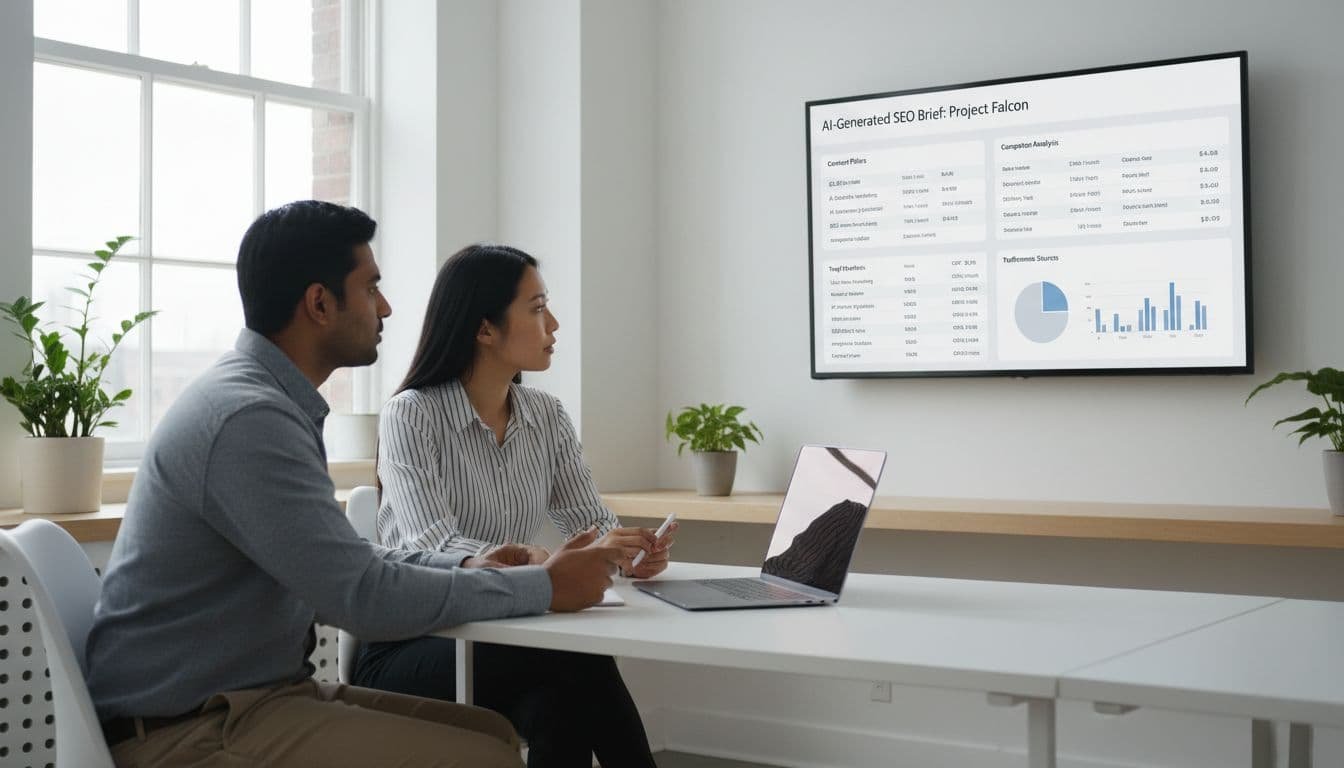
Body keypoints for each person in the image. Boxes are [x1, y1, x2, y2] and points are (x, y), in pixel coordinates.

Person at [84, 202, 624, 768]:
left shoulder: (269, 405)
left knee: (490, 733)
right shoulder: (249, 419)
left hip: (257, 702)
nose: (387, 307)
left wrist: (467, 567)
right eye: (371, 289)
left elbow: (341, 559)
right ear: (320, 304)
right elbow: (359, 595)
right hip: (190, 729)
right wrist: (541, 586)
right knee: (484, 757)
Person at [357, 243, 673, 768]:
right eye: (536, 307)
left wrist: (626, 551)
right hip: (411, 642)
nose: (554, 322)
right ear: (485, 329)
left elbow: (588, 520)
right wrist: (539, 569)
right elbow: (429, 545)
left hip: (507, 636)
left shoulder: (545, 414)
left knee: (561, 705)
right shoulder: (411, 415)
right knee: (578, 663)